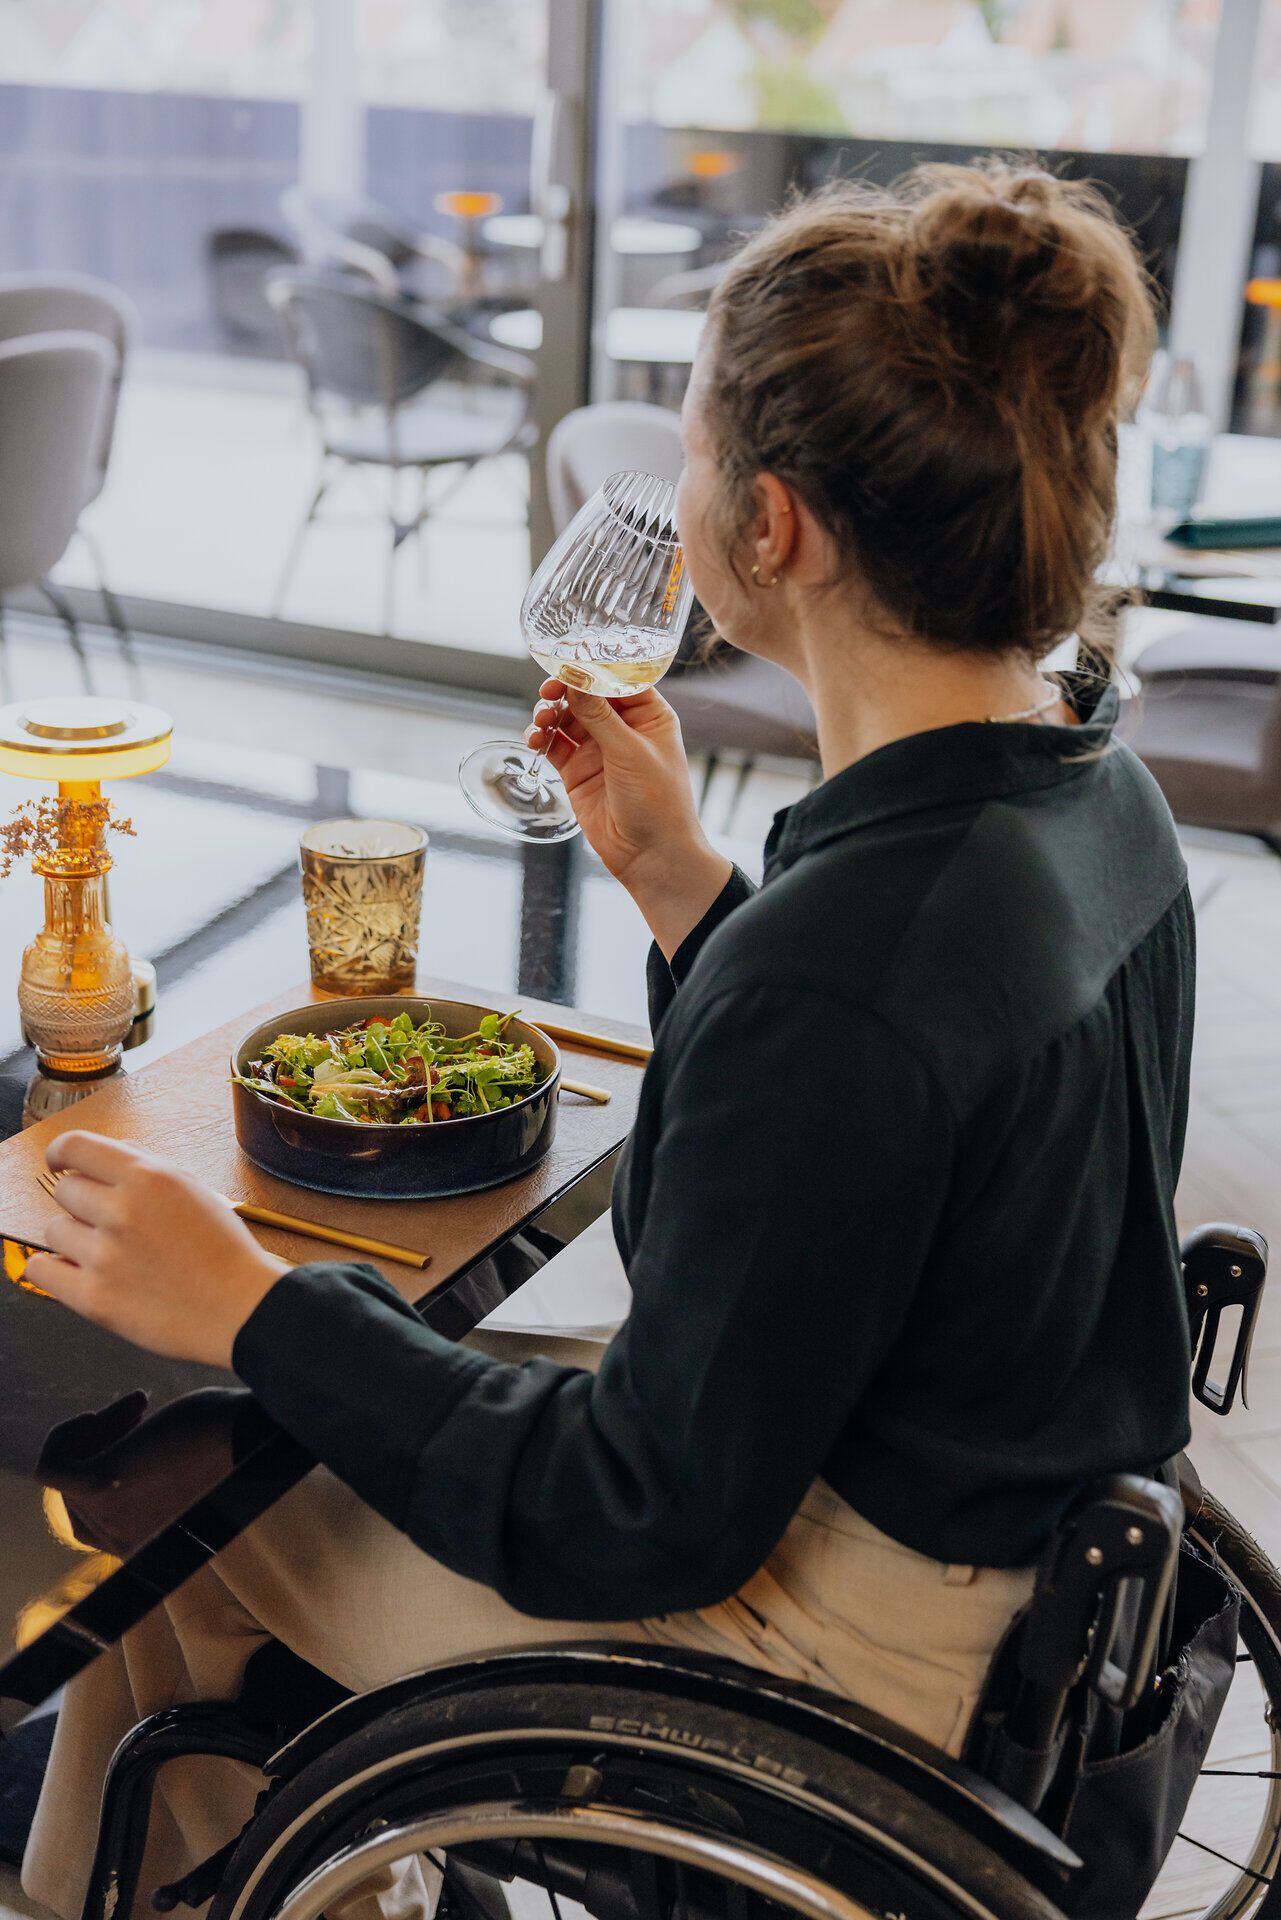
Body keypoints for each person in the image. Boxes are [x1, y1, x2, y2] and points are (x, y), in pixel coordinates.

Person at [22, 160, 1193, 1920]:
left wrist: (247, 1304)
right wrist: (684, 892)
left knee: (192, 1521)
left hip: (850, 1647)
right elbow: (876, 1160)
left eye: (695, 449)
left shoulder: (845, 962)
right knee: (237, 1474)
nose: (683, 488)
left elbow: (637, 1511)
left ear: (773, 526)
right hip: (1004, 1549)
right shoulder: (1085, 799)